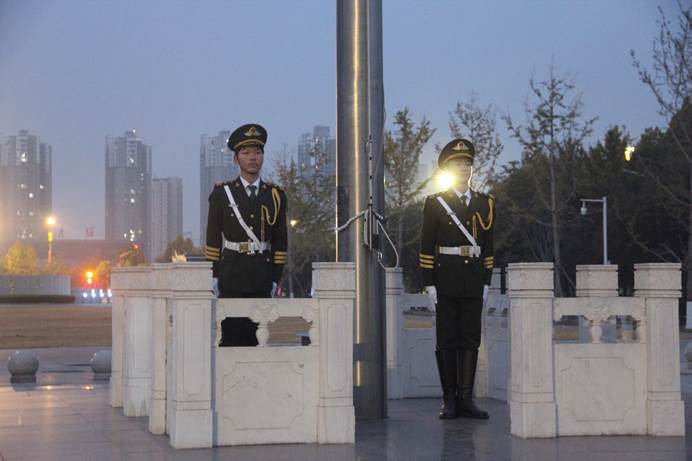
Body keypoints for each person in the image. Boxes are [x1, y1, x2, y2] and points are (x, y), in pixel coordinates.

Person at [420, 138, 494, 420]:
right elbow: (426, 246)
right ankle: (449, 398)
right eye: (458, 164)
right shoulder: (436, 203)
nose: (464, 168)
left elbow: (489, 246)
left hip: (473, 279)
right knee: (447, 340)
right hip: (446, 278)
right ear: (449, 169)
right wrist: (429, 282)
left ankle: (466, 398)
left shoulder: (485, 203)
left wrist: (486, 281)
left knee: (470, 340)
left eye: (467, 164)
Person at [205, 123, 288, 346]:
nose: (252, 157)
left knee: (258, 341)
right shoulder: (222, 194)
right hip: (230, 275)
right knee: (230, 340)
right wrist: (214, 276)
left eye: (257, 152)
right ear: (236, 159)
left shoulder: (275, 195)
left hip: (262, 276)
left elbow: (280, 242)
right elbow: (213, 240)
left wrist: (275, 278)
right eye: (246, 152)